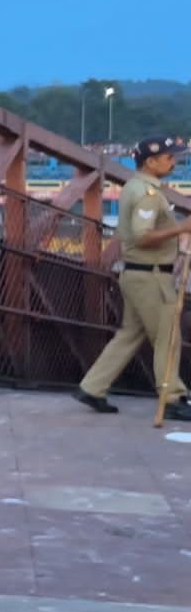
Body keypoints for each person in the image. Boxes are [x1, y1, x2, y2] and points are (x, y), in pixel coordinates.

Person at [73, 135, 191, 421]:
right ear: (150, 162)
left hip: (136, 274)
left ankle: (93, 386)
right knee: (167, 337)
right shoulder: (147, 194)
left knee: (130, 334)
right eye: (168, 158)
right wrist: (181, 229)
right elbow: (142, 235)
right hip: (151, 277)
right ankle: (172, 397)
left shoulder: (134, 187)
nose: (174, 163)